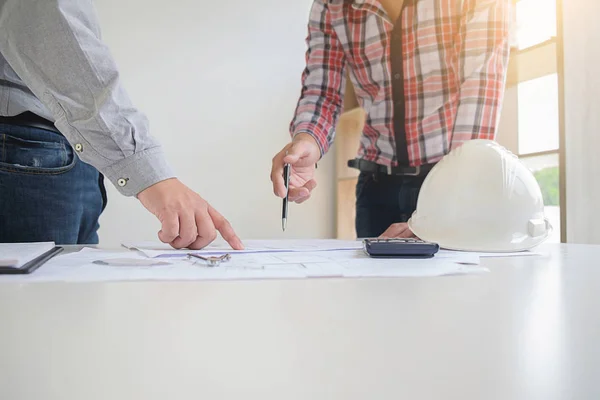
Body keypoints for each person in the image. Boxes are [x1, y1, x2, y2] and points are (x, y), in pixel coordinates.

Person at [0, 0, 243, 250]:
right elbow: (48, 26)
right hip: (27, 152)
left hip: (55, 152)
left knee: (70, 285)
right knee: (37, 288)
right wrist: (150, 175)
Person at [271, 0, 511, 238]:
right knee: (375, 277)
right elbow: (322, 91)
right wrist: (308, 140)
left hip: (450, 179)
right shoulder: (331, 5)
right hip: (376, 187)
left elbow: (480, 90)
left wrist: (451, 202)